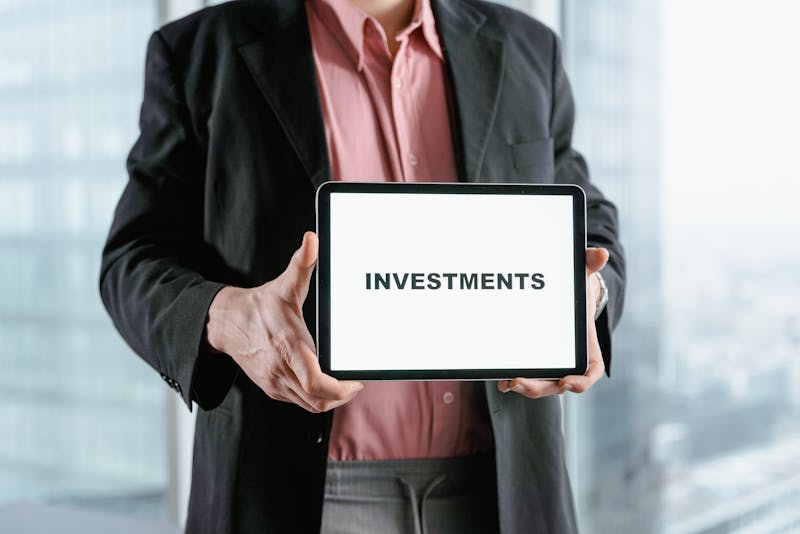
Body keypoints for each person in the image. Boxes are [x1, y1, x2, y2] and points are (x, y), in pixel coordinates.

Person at [99, 0, 625, 532]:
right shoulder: (198, 52)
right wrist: (225, 317)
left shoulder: (528, 46)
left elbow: (588, 216)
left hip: (506, 492)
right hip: (293, 495)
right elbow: (133, 256)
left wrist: (589, 294)